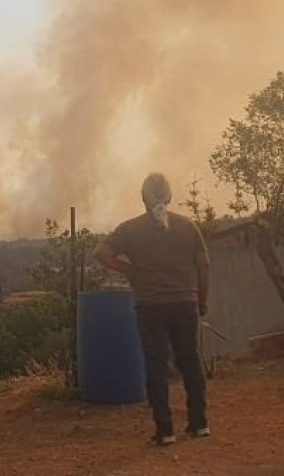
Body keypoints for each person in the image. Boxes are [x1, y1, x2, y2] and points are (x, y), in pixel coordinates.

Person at [94, 172, 211, 447]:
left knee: (156, 365)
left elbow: (100, 252)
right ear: (169, 197)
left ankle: (165, 430)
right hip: (185, 302)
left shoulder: (130, 229)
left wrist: (130, 271)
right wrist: (202, 300)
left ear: (142, 198)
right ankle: (200, 424)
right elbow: (204, 267)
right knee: (190, 362)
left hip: (150, 306)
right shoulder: (188, 227)